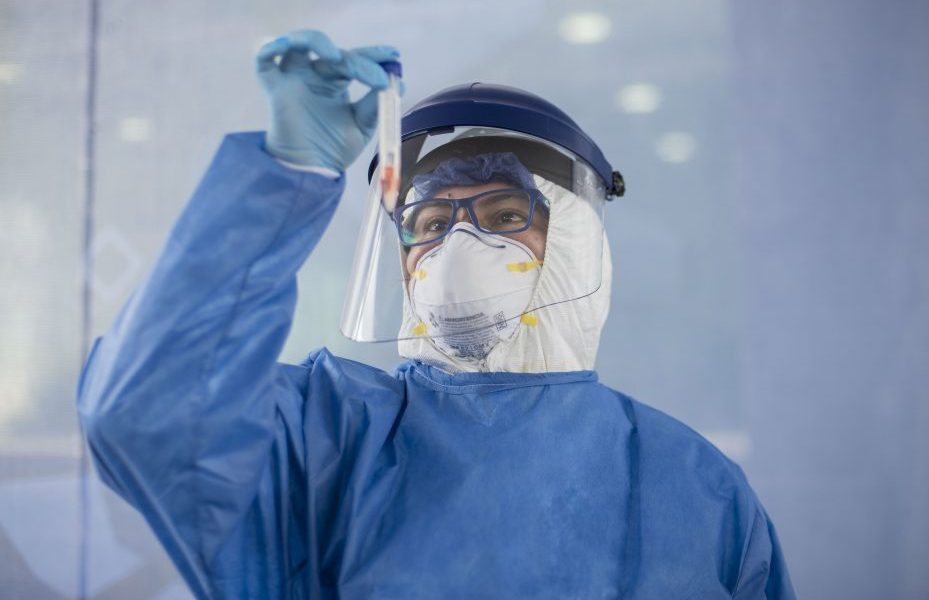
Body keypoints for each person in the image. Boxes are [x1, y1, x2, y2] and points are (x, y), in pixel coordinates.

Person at [77, 30, 795, 599]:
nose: (458, 245)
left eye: (505, 215)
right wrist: (285, 177)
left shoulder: (694, 483)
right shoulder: (329, 439)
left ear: (575, 244)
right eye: (429, 225)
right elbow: (141, 411)